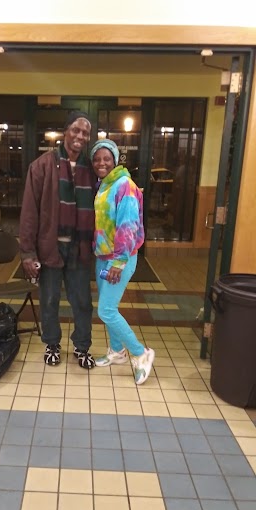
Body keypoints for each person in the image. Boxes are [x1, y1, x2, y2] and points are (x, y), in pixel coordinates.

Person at [19, 111, 96, 369]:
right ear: (66, 132)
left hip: (80, 248)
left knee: (82, 302)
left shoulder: (91, 169)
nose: (80, 136)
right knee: (50, 300)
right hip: (50, 248)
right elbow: (29, 212)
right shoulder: (42, 166)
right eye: (76, 130)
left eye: (85, 132)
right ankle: (52, 344)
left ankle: (81, 346)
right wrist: (28, 253)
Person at [90, 139, 155, 385]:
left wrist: (118, 263)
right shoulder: (104, 186)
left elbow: (128, 228)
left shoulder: (124, 185)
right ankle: (117, 352)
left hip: (120, 259)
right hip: (103, 257)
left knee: (105, 309)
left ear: (116, 160)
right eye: (97, 158)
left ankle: (141, 353)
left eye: (106, 158)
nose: (101, 163)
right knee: (109, 309)